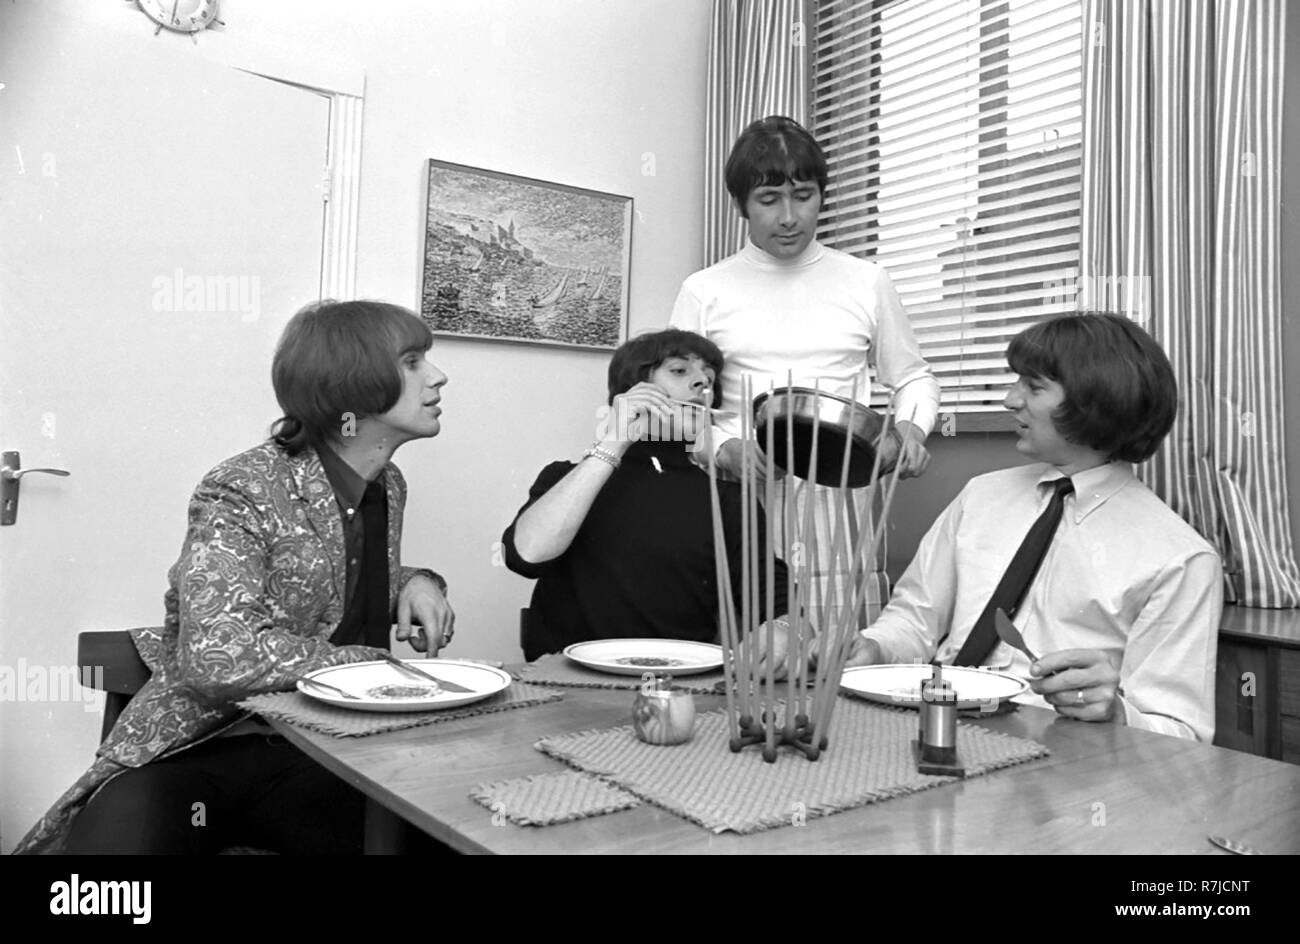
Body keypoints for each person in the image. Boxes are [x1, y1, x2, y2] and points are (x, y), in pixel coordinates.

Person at [15, 299, 455, 854]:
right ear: (356, 390)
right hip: (209, 745)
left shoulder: (385, 484)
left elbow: (332, 578)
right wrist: (369, 662)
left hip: (323, 752)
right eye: (414, 361)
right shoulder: (242, 487)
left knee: (455, 837)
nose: (438, 376)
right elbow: (216, 656)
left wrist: (416, 581)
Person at [846, 313, 1222, 741]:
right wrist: (874, 646)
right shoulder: (980, 497)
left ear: (1093, 401)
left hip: (1061, 763)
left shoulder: (1180, 559)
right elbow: (914, 620)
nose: (1010, 400)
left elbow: (1182, 733)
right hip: (932, 728)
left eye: (1033, 386)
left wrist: (1116, 712)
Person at [668, 115, 940, 628]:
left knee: (843, 659)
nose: (789, 217)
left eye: (805, 196)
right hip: (742, 495)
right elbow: (678, 408)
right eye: (769, 201)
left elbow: (913, 377)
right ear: (741, 206)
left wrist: (907, 429)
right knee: (746, 654)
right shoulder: (705, 290)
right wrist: (723, 446)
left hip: (844, 499)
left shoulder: (866, 281)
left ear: (822, 196)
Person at [502, 328, 793, 671]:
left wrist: (784, 627)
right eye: (680, 370)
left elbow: (770, 595)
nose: (703, 383)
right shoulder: (564, 476)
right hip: (564, 679)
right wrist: (614, 442)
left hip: (678, 683)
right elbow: (526, 556)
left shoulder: (728, 499)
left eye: (709, 378)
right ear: (632, 389)